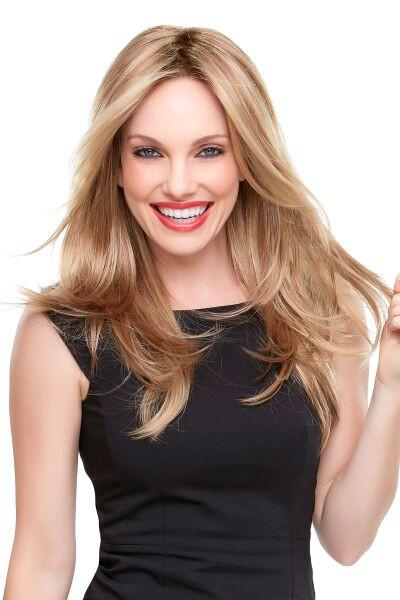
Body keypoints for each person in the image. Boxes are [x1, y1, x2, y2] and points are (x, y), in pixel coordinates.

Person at [4, 25, 400, 600]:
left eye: (209, 150)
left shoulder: (320, 318)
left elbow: (346, 538)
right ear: (117, 166)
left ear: (246, 159)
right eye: (149, 152)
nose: (179, 184)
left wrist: (391, 385)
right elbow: (41, 562)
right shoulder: (64, 334)